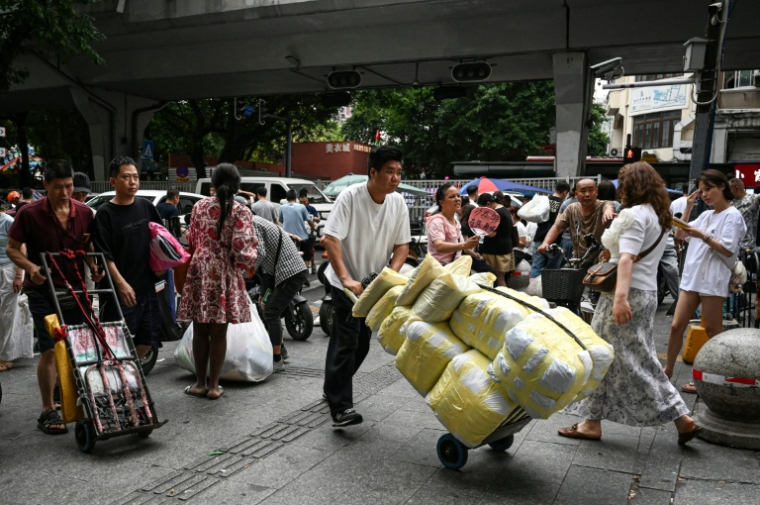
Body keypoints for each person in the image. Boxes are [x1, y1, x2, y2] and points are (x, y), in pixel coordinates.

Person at [560, 161, 702, 446]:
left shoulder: (635, 215)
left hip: (625, 295)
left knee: (613, 357)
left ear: (633, 186)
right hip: (646, 294)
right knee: (632, 357)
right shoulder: (659, 215)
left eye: (623, 183)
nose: (619, 188)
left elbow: (627, 259)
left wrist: (620, 299)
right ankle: (593, 421)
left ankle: (678, 416)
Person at [5, 159, 104, 434]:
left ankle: (81, 396)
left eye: (69, 186)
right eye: (58, 187)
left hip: (75, 289)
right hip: (43, 291)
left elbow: (89, 242)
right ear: (45, 185)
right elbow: (13, 249)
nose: (64, 193)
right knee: (49, 348)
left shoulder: (85, 213)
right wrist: (31, 268)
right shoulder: (30, 213)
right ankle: (47, 410)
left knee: (82, 345)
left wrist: (95, 266)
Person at [322, 145, 410, 427]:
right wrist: (346, 278)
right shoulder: (350, 197)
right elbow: (330, 240)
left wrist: (389, 276)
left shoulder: (398, 203)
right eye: (389, 171)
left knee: (361, 345)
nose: (395, 178)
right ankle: (341, 408)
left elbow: (402, 245)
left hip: (372, 287)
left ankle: (333, 386)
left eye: (398, 172)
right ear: (373, 172)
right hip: (346, 284)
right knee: (346, 341)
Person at [179, 164, 258, 399]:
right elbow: (242, 248)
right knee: (219, 333)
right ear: (237, 185)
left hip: (200, 270)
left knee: (200, 330)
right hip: (224, 272)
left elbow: (191, 238)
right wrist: (248, 266)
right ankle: (214, 387)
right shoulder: (240, 210)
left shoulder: (199, 207)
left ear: (213, 184)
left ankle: (199, 384)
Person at [665, 169, 746, 394]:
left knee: (712, 330)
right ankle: (667, 371)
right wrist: (688, 208)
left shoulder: (732, 215)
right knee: (675, 326)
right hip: (693, 277)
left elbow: (728, 249)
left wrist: (703, 236)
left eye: (708, 189)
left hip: (712, 278)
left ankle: (715, 377)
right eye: (701, 191)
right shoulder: (706, 215)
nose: (704, 194)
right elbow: (680, 235)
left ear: (722, 187)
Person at [92, 156, 164, 361]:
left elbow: (160, 239)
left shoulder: (146, 207)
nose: (132, 181)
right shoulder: (105, 213)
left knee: (148, 340)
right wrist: (121, 284)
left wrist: (163, 264)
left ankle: (128, 373)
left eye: (135, 177)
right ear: (113, 181)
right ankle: (116, 381)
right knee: (115, 343)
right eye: (126, 177)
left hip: (146, 287)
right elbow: (105, 255)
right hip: (118, 291)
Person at [252, 214, 308, 371]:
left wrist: (246, 270)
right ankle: (281, 349)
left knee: (271, 312)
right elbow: (267, 268)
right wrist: (264, 293)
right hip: (280, 273)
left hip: (290, 273)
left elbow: (260, 253)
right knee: (265, 306)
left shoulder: (253, 222)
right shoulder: (258, 222)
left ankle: (277, 360)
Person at [538, 179, 615, 263]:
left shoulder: (604, 204)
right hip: (578, 259)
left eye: (591, 190)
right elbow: (557, 227)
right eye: (583, 191)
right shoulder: (571, 209)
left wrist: (608, 213)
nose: (587, 194)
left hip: (600, 261)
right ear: (576, 194)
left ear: (596, 192)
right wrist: (546, 243)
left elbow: (608, 207)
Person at [0, 211, 33, 371]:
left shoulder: (7, 221)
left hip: (10, 270)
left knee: (8, 314)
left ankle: (6, 357)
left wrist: (19, 275)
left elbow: (22, 247)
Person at [426, 182, 480, 266]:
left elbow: (463, 246)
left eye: (458, 196)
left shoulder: (456, 222)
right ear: (442, 202)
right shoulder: (437, 221)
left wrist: (472, 241)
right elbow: (439, 246)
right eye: (452, 196)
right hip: (440, 270)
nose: (457, 199)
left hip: (454, 268)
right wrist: (465, 244)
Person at [530, 181, 570, 278]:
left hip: (539, 237)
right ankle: (549, 290)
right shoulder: (564, 205)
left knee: (536, 266)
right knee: (552, 269)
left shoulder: (543, 202)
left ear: (554, 189)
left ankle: (532, 290)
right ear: (565, 192)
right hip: (554, 241)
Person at [477, 192, 515, 287]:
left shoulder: (495, 214)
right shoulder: (505, 210)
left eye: (483, 208)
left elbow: (491, 234)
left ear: (489, 204)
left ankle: (501, 299)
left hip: (495, 251)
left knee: (496, 278)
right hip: (505, 248)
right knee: (501, 277)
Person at [279, 189, 316, 271]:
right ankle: (304, 272)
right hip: (302, 236)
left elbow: (281, 220)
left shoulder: (282, 207)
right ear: (296, 198)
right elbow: (309, 220)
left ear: (286, 198)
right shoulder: (302, 207)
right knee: (307, 255)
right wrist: (314, 228)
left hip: (287, 237)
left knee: (287, 255)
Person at [728, 178, 760, 251]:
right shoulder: (729, 203)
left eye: (729, 189)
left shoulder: (752, 199)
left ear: (736, 188)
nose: (728, 192)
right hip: (731, 247)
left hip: (747, 247)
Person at [558, 188, 578, 260]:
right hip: (579, 239)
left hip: (566, 238)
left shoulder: (565, 203)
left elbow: (558, 223)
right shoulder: (586, 203)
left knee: (564, 262)